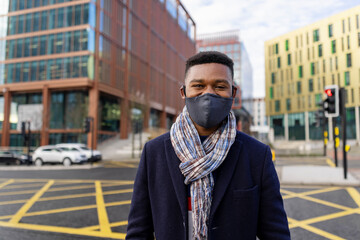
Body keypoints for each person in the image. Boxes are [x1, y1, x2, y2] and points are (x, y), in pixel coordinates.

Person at [126, 51, 290, 240]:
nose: (208, 94)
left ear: (233, 93)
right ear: (183, 92)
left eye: (220, 86)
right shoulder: (153, 152)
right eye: (198, 86)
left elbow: (276, 234)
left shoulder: (257, 155)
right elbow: (138, 232)